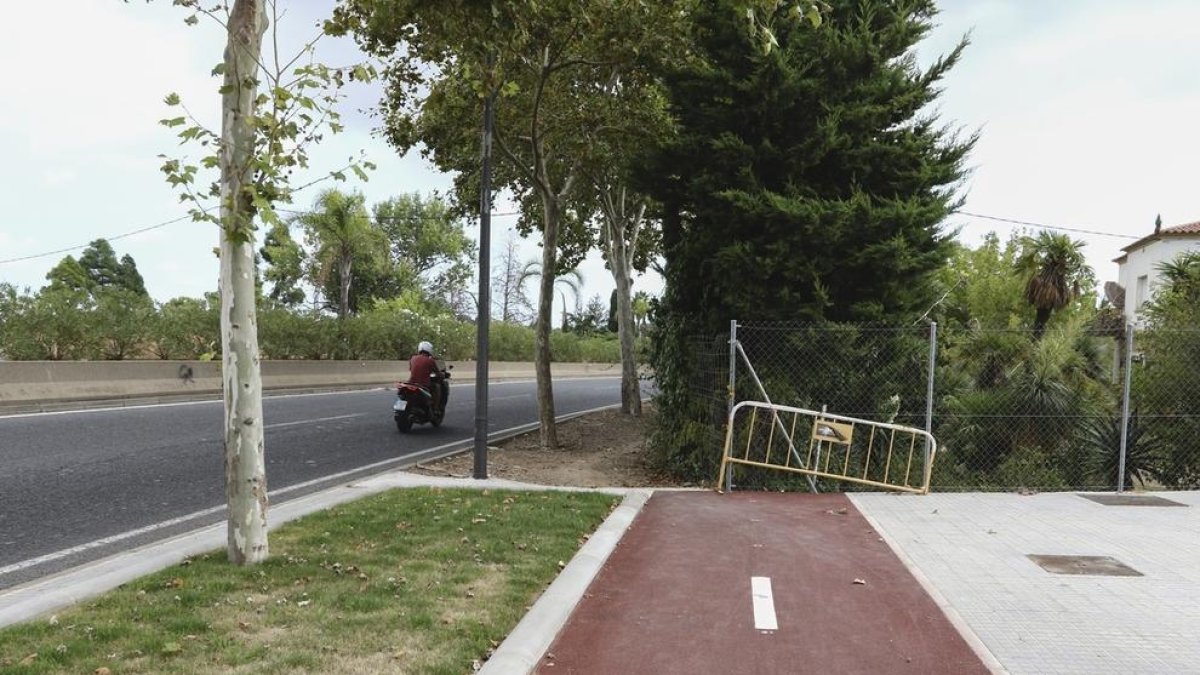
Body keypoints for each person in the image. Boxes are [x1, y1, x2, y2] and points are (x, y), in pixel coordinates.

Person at [407, 340, 443, 413]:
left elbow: (411, 369)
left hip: (411, 383)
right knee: (437, 387)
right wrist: (441, 375)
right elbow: (437, 373)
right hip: (424, 385)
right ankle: (435, 409)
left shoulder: (412, 358)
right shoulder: (430, 361)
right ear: (429, 350)